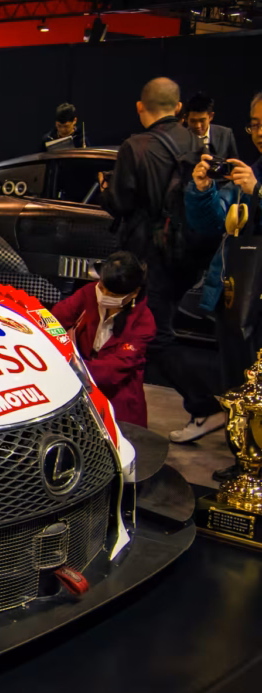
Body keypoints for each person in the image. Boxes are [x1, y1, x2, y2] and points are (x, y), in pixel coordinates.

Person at [169, 94, 262, 450]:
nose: (258, 132)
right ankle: (245, 456)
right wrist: (202, 190)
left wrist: (259, 190)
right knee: (237, 379)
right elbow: (208, 225)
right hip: (238, 294)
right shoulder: (251, 169)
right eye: (253, 123)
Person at [101, 78, 203, 362]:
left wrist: (105, 191)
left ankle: (196, 397)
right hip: (186, 249)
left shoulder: (136, 146)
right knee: (161, 321)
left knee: (154, 333)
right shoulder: (195, 142)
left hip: (146, 252)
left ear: (139, 107)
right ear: (179, 107)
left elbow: (121, 203)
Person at [51, 252, 156, 427]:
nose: (104, 294)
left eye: (113, 294)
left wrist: (70, 368)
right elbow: (55, 320)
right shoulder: (89, 293)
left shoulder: (143, 323)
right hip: (78, 394)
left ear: (134, 293)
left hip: (118, 405)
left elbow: (113, 370)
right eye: (102, 287)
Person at [185, 92, 238, 161]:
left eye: (202, 120)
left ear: (211, 116)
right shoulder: (181, 140)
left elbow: (235, 163)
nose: (198, 126)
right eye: (193, 121)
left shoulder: (225, 134)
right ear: (186, 119)